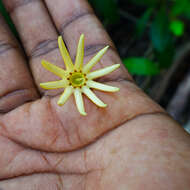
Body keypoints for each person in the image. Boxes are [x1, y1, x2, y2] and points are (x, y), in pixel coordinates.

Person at [0, 0, 190, 189]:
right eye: (75, 78)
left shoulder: (80, 79)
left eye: (78, 78)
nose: (77, 79)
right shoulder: (72, 80)